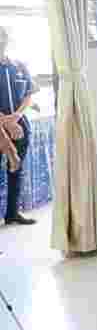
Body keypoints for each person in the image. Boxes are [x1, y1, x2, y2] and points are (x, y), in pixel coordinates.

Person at [0, 27, 38, 226]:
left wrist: (16, 115)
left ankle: (12, 213)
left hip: (18, 122)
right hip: (2, 124)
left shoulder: (18, 66)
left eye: (3, 39)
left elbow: (29, 94)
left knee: (16, 167)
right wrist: (4, 120)